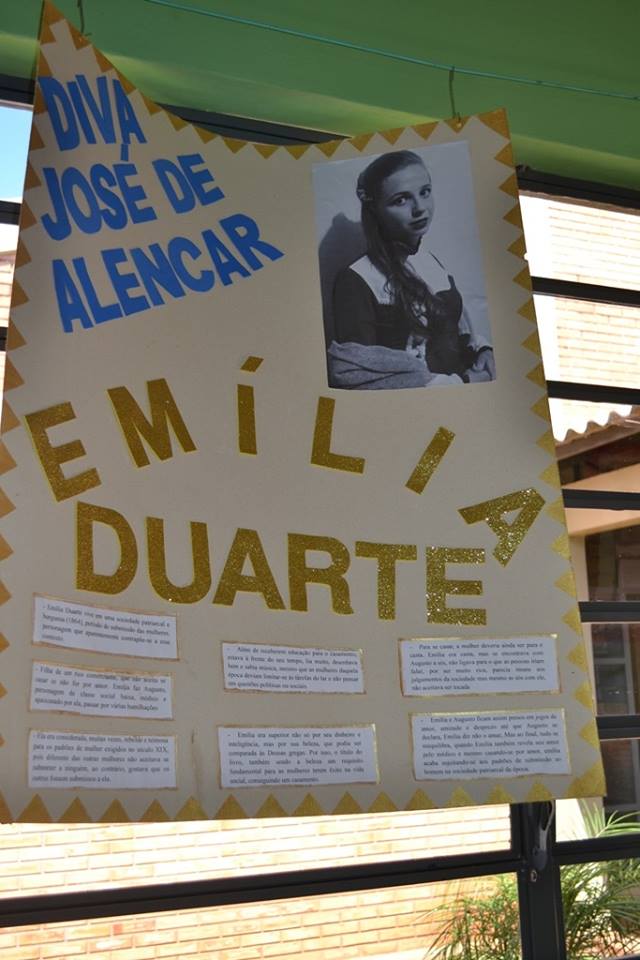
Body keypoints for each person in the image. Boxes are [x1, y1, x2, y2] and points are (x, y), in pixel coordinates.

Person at [328, 150, 495, 389]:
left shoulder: (432, 262)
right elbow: (356, 375)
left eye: (424, 192)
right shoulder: (356, 279)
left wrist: (483, 351)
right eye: (401, 200)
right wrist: (463, 381)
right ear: (375, 209)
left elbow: (456, 330)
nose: (420, 208)